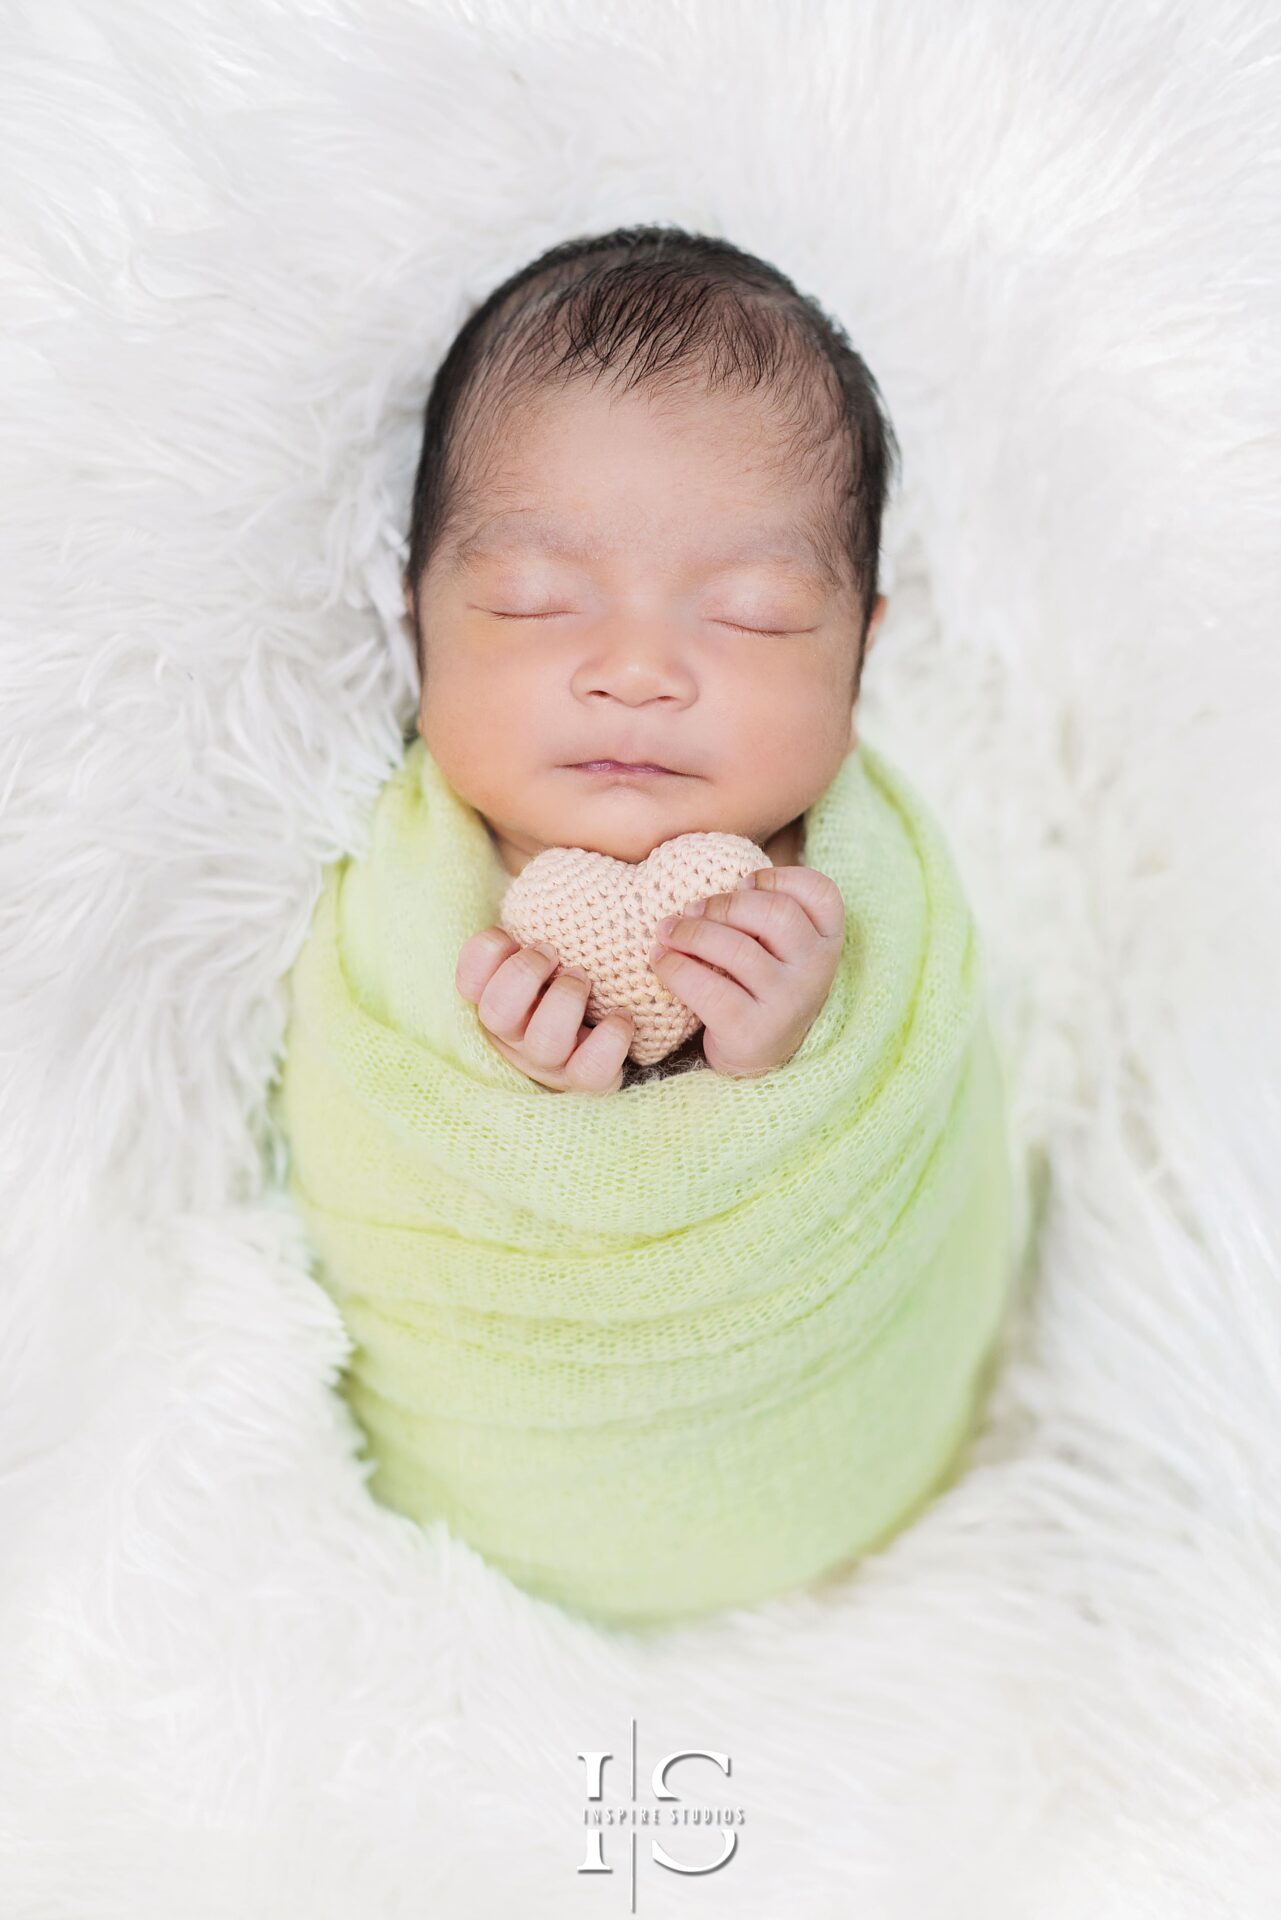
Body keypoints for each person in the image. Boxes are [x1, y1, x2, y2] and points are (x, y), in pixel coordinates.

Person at [397, 222, 897, 1091]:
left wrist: (793, 1049)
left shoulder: (860, 895)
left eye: (753, 617)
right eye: (533, 600)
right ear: (416, 631)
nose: (635, 674)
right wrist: (510, 1081)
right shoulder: (386, 880)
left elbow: (911, 1082)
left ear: (858, 666)